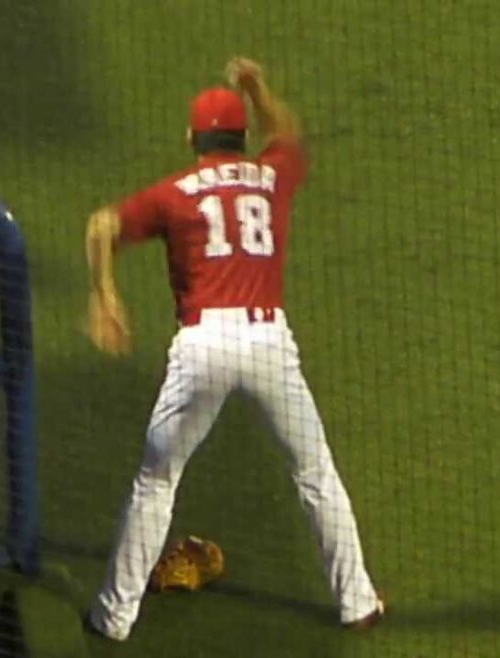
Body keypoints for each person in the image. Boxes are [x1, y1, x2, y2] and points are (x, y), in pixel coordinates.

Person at [81, 56, 383, 641]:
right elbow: (289, 134)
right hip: (270, 344)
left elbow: (101, 225)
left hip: (202, 347)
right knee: (315, 471)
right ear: (242, 137)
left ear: (192, 139)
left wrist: (105, 296)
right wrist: (259, 86)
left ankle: (113, 618)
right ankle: (358, 603)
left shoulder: (173, 193)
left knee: (158, 479)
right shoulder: (273, 174)